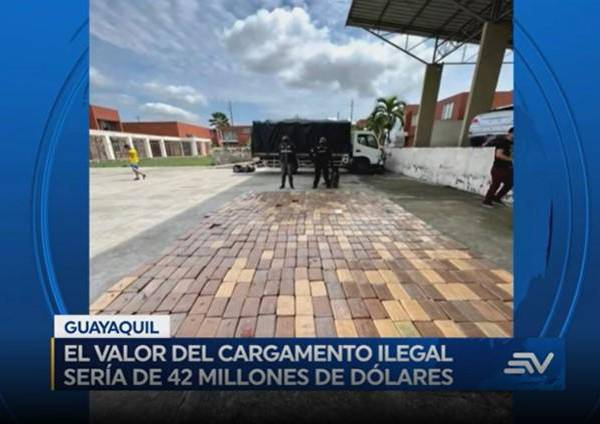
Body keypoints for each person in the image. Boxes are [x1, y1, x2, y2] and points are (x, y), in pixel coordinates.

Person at [482, 128, 513, 207]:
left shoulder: (513, 143)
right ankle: (487, 201)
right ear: (509, 133)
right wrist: (511, 159)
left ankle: (496, 198)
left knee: (510, 184)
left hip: (508, 168)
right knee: (495, 185)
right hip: (499, 168)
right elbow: (499, 155)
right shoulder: (503, 142)